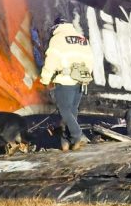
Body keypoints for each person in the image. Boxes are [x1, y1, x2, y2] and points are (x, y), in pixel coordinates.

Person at [40, 18, 94, 152]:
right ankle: (68, 141)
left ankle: (77, 136)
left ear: (56, 26)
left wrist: (45, 79)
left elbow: (51, 60)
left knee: (64, 110)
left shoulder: (58, 38)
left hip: (65, 80)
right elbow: (90, 59)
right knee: (73, 111)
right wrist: (86, 77)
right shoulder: (82, 39)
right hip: (80, 81)